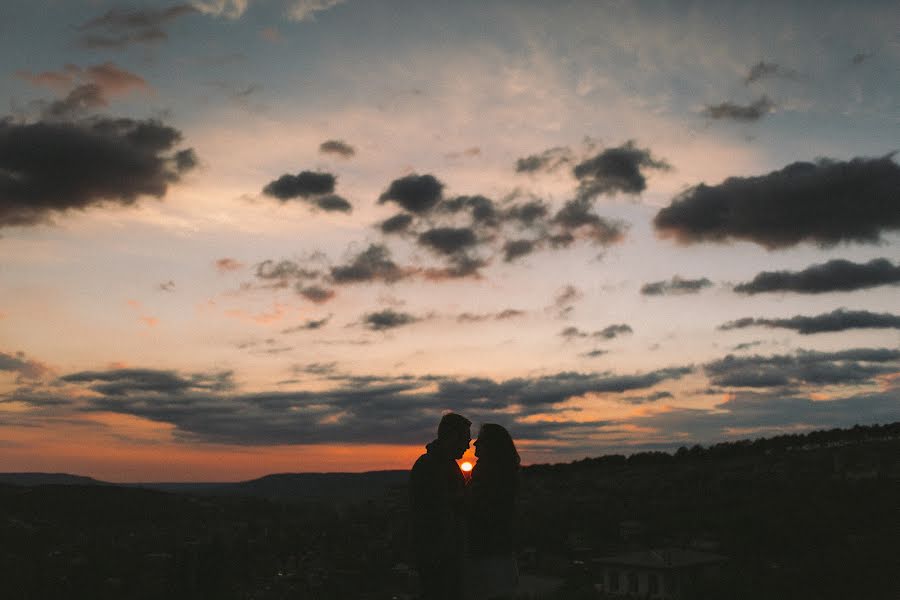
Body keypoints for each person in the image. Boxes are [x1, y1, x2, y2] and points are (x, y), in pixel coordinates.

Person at [409, 412, 472, 600]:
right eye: (465, 440)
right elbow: (437, 510)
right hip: (438, 557)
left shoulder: (446, 465)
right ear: (452, 437)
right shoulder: (429, 466)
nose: (468, 446)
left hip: (447, 555)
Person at [466, 423, 520, 600]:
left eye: (480, 441)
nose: (474, 444)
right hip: (498, 551)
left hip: (488, 553)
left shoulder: (489, 474)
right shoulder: (501, 473)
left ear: (491, 446)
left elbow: (479, 511)